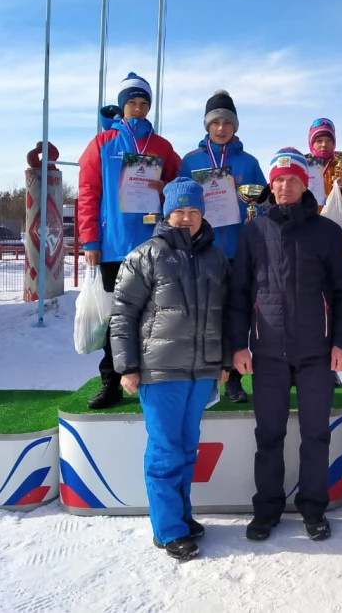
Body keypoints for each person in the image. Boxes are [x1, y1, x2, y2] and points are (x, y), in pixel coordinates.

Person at [229, 147, 342, 542]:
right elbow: (239, 292)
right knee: (269, 434)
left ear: (306, 185)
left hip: (317, 351)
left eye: (293, 180)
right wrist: (238, 345)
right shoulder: (254, 230)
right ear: (271, 184)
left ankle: (313, 509)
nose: (285, 186)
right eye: (279, 180)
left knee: (316, 433)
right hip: (268, 351)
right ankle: (266, 509)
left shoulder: (327, 231)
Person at [109, 178, 231, 562]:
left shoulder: (216, 257)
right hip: (160, 371)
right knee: (164, 451)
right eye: (179, 211)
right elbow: (123, 315)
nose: (186, 218)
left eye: (193, 211)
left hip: (201, 372)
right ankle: (168, 529)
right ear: (167, 213)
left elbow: (226, 316)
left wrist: (224, 362)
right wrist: (126, 367)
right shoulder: (145, 255)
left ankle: (182, 515)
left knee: (186, 449)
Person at [78, 72, 182, 410]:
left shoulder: (162, 147)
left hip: (155, 243)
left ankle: (151, 376)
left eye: (143, 103)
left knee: (154, 314)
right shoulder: (102, 143)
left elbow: (182, 191)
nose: (138, 109)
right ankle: (112, 380)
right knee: (116, 317)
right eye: (131, 103)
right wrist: (90, 241)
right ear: (122, 107)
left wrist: (165, 186)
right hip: (113, 246)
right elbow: (88, 194)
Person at [179, 90, 266, 404]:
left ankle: (234, 378)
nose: (221, 127)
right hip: (202, 251)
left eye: (227, 122)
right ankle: (202, 374)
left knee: (236, 314)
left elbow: (264, 203)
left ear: (235, 126)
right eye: (215, 121)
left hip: (239, 252)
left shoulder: (249, 162)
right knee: (202, 315)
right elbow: (178, 201)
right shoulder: (190, 161)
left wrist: (252, 217)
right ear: (207, 125)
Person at [304, 118, 342, 209]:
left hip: (336, 220)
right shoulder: (303, 168)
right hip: (308, 220)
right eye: (319, 141)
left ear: (334, 143)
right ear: (311, 143)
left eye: (328, 141)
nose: (324, 144)